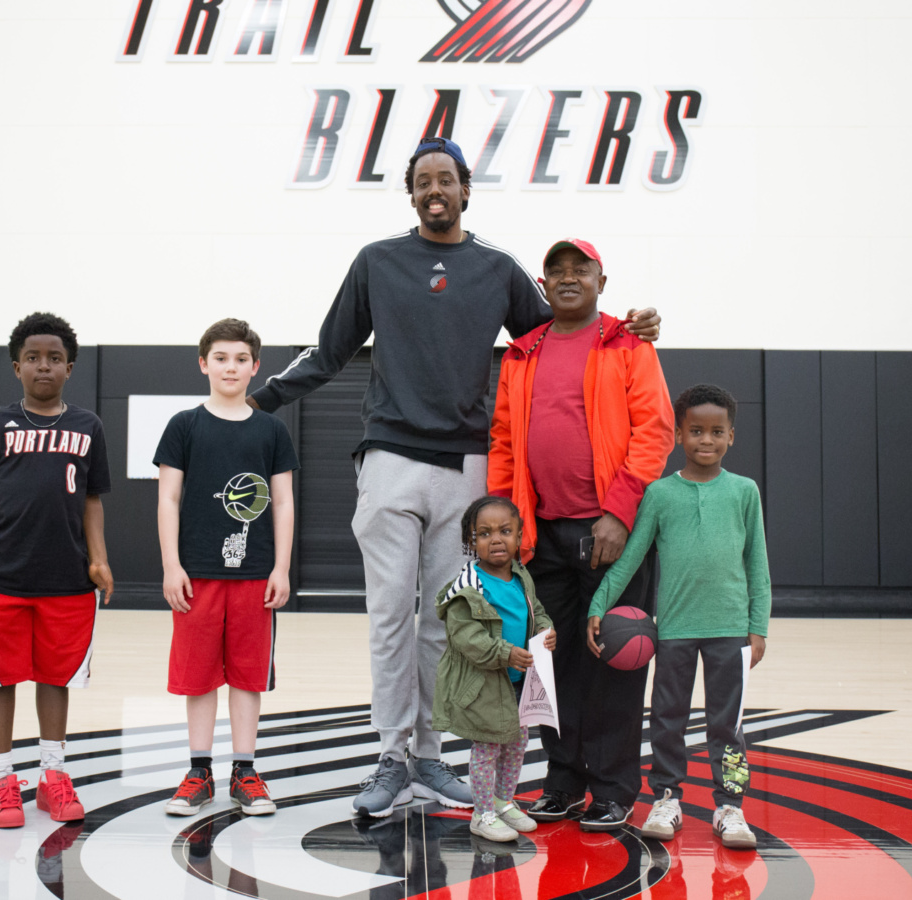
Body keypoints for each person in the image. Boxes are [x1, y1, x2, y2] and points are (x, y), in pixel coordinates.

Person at [248, 135, 663, 818]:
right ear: (411, 193)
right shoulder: (377, 261)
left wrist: (631, 326)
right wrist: (257, 401)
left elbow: (565, 331)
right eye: (423, 181)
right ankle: (391, 756)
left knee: (448, 621)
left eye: (446, 179)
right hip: (389, 457)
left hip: (467, 470)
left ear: (466, 190)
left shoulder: (496, 268)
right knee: (390, 617)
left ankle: (430, 756)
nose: (435, 189)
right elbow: (328, 350)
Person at [487, 238, 673, 832]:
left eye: (580, 270)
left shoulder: (627, 344)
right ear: (543, 286)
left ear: (601, 281)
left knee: (615, 662)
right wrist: (508, 525)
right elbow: (503, 442)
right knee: (550, 665)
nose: (568, 278)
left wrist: (618, 513)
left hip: (611, 534)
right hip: (542, 538)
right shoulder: (521, 353)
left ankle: (614, 789)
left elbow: (654, 431)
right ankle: (564, 781)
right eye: (557, 271)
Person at [587, 383, 771, 850]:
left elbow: (758, 563)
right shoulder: (660, 494)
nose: (706, 440)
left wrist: (758, 627)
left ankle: (730, 806)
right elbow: (629, 559)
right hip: (673, 631)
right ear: (678, 435)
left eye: (716, 432)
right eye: (696, 431)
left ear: (732, 436)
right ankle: (666, 798)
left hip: (730, 631)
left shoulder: (745, 492)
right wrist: (598, 605)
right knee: (668, 719)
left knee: (728, 726)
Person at [0, 311, 115, 829]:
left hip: (67, 578)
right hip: (1, 574)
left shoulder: (88, 426)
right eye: (33, 358)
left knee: (55, 675)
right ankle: (1, 779)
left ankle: (52, 775)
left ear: (70, 367)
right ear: (16, 366)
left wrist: (99, 557)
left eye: (54, 358)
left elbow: (92, 500)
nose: (44, 366)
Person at [156, 318, 298, 817]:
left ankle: (245, 771)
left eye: (241, 359)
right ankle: (199, 772)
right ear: (203, 364)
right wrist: (171, 565)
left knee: (247, 677)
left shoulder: (272, 430)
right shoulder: (184, 425)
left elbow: (283, 502)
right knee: (197, 677)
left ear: (256, 366)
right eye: (220, 358)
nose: (230, 367)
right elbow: (168, 499)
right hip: (196, 574)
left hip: (255, 574)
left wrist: (281, 567)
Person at [433, 496, 555, 841]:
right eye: (484, 533)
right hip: (484, 684)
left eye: (505, 531)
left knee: (516, 742)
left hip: (516, 682)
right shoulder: (467, 589)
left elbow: (536, 610)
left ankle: (502, 802)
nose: (496, 539)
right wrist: (504, 653)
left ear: (519, 536)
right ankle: (483, 814)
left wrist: (546, 629)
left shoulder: (521, 576)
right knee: (488, 748)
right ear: (470, 541)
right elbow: (466, 637)